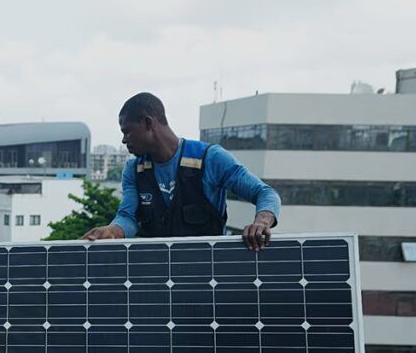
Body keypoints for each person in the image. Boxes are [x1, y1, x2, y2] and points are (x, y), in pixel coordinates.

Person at [83, 92, 280, 250]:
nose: (124, 140)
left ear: (148, 123)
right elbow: (128, 217)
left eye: (126, 131)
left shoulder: (209, 159)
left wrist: (261, 222)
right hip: (157, 275)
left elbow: (265, 192)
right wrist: (111, 231)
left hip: (207, 273)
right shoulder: (134, 169)